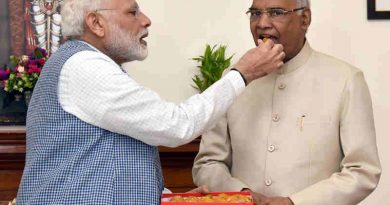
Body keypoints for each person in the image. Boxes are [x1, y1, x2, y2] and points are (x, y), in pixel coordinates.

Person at [16, 0, 285, 204]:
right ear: (96, 23)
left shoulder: (89, 66)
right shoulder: (84, 66)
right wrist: (242, 74)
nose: (146, 20)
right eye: (132, 12)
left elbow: (110, 156)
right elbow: (176, 125)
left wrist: (163, 196)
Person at [192, 0, 382, 205]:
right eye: (255, 13)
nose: (262, 23)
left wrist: (295, 202)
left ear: (305, 19)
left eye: (276, 12)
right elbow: (208, 163)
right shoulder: (233, 80)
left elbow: (363, 171)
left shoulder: (345, 79)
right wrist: (241, 194)